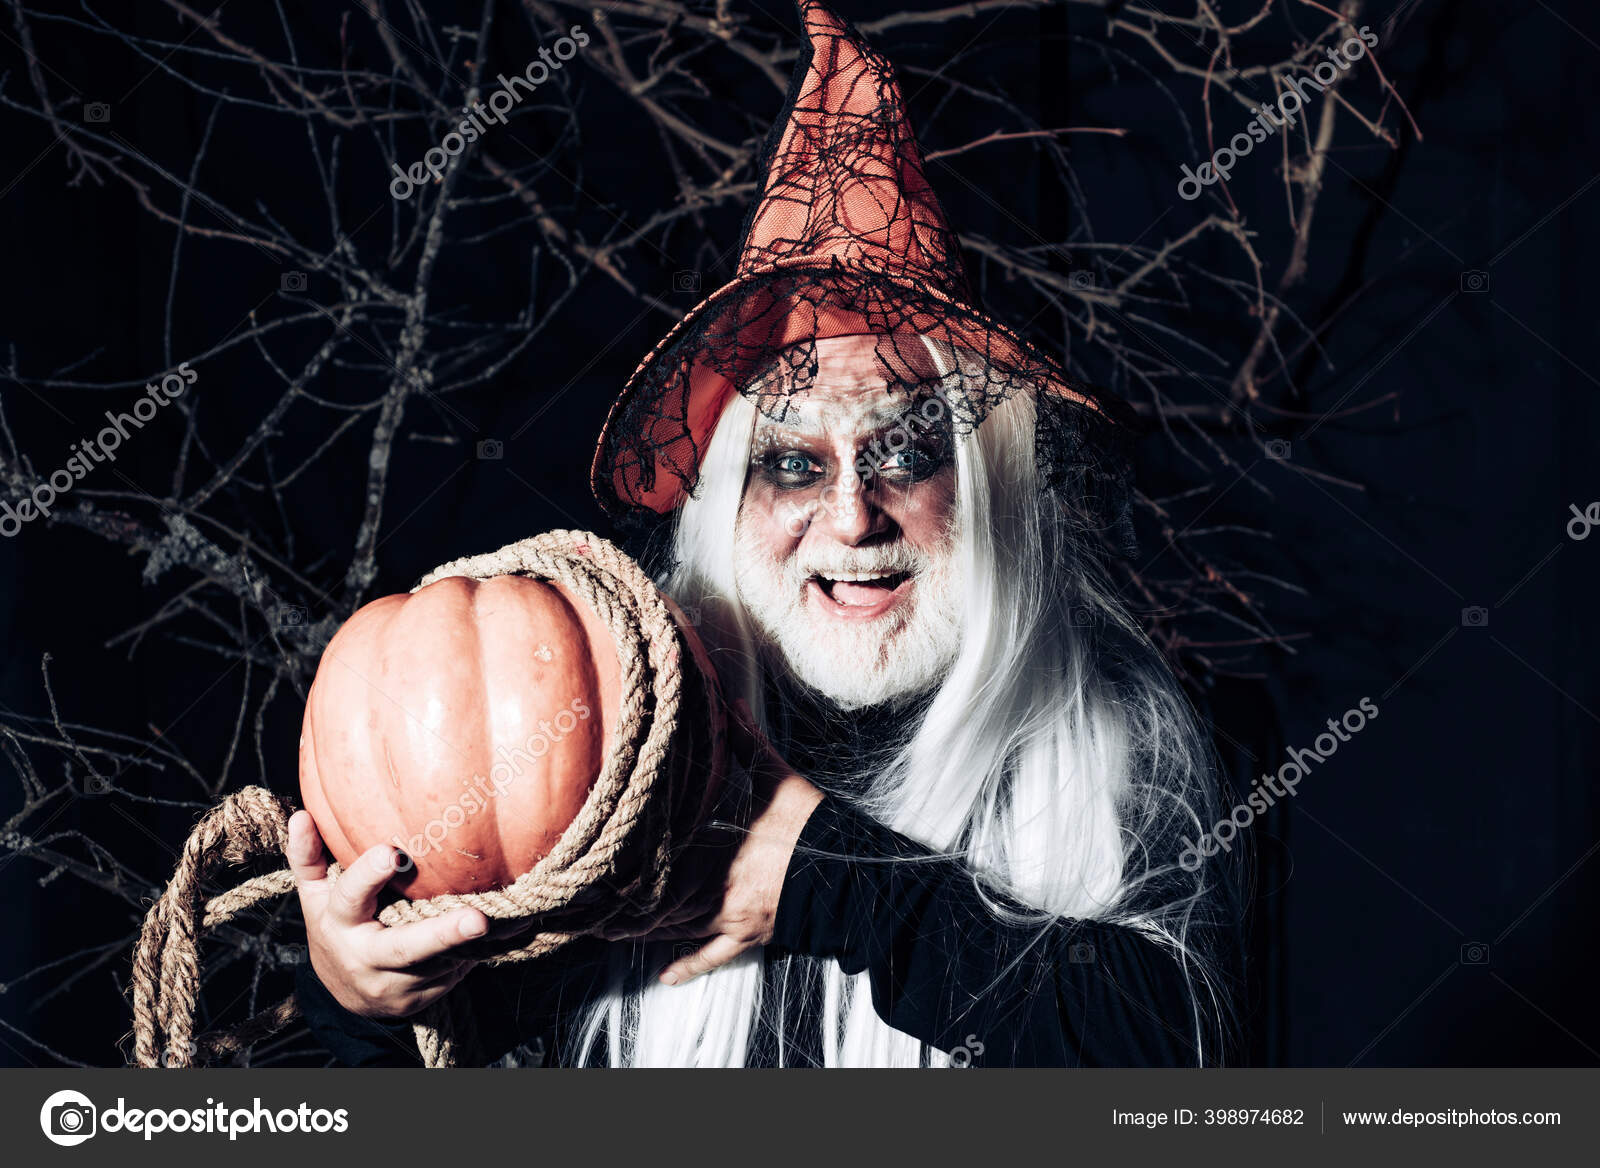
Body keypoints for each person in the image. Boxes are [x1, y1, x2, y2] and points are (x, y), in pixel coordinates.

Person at [291, 0, 1241, 1068]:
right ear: (720, 504)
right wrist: (354, 1003)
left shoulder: (1122, 752)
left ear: (984, 486)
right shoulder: (593, 772)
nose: (850, 515)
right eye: (791, 465)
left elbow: (1169, 1070)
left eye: (903, 453)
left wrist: (831, 877)